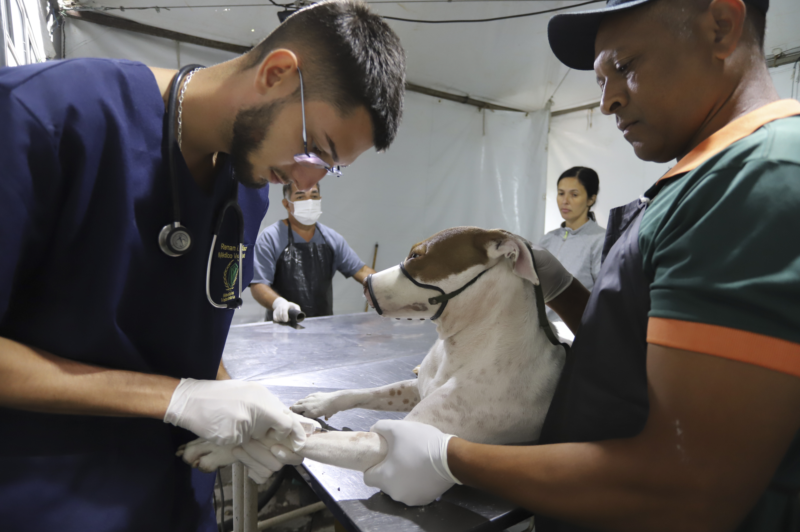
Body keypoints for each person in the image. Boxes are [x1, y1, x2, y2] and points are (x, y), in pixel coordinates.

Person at [358, 1, 800, 531]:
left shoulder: (754, 180)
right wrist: (560, 286)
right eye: (600, 78)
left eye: (627, 65)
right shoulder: (698, 180)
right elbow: (632, 349)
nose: (609, 99)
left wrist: (447, 456)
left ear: (721, 25)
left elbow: (687, 487)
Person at [0, 1, 405, 530]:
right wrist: (175, 398)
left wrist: (237, 407)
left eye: (331, 168)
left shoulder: (248, 186)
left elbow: (191, 333)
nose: (309, 179)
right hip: (44, 496)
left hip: (172, 497)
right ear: (276, 73)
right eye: (314, 148)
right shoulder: (45, 116)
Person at [251, 182, 375, 322]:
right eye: (300, 197)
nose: (309, 202)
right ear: (286, 204)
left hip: (323, 329)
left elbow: (362, 271)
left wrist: (390, 286)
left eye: (314, 196)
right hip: (283, 326)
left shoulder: (331, 238)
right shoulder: (271, 237)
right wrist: (279, 303)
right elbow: (258, 284)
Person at [539, 166, 605, 329]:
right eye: (561, 193)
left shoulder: (601, 240)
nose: (565, 201)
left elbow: (604, 296)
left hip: (577, 331)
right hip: (541, 332)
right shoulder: (547, 240)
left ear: (591, 199)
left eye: (574, 194)